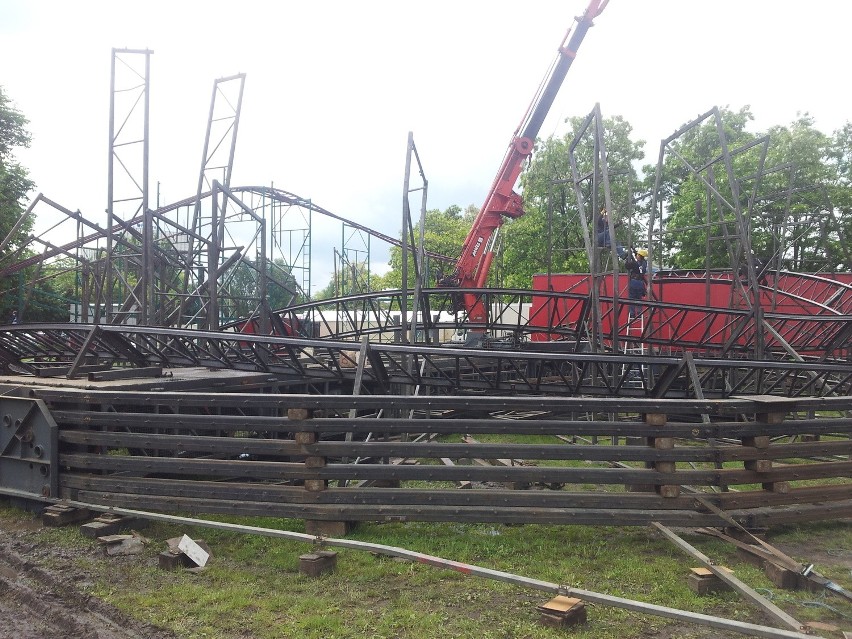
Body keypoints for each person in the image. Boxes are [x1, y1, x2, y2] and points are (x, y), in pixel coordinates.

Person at [624, 248, 648, 318]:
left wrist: (627, 258)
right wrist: (634, 253)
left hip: (634, 282)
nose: (637, 256)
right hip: (641, 283)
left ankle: (632, 313)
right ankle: (639, 313)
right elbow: (639, 261)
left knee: (631, 298)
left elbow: (627, 266)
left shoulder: (634, 264)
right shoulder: (644, 263)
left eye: (637, 255)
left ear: (639, 256)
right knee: (639, 298)